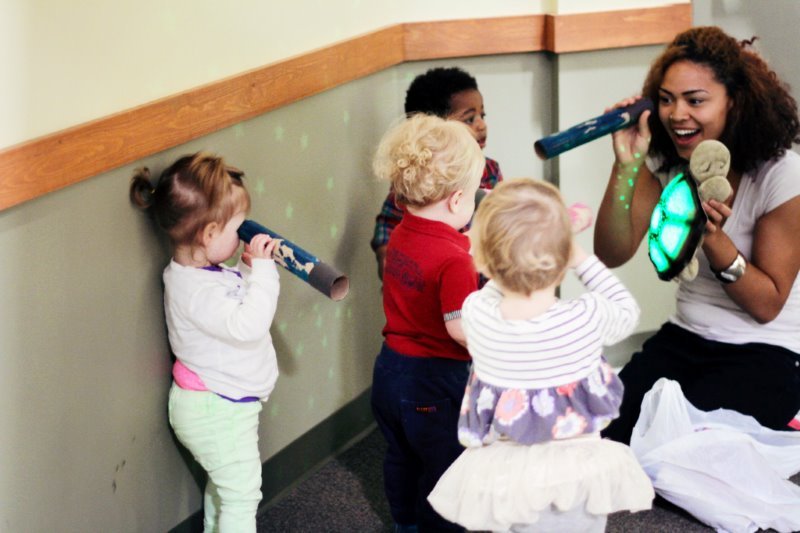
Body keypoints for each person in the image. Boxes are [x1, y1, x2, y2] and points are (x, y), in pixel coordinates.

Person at [594, 26, 800, 444]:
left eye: (695, 100)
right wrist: (625, 165)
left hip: (767, 350)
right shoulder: (667, 162)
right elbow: (612, 251)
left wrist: (712, 238)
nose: (677, 114)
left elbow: (767, 305)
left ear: (734, 102)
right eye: (666, 99)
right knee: (609, 439)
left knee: (684, 453)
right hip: (684, 338)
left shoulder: (781, 174)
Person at [428, 178, 653, 532]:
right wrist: (580, 258)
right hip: (577, 471)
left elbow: (489, 288)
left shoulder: (479, 315)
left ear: (485, 263)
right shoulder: (585, 317)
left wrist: (501, 249)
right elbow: (626, 308)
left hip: (512, 477)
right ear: (563, 262)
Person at [130, 152, 280, 532]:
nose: (243, 234)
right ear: (210, 234)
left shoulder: (199, 275)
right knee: (242, 495)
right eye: (238, 228)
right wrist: (265, 274)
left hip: (222, 405)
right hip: (218, 410)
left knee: (225, 489)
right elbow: (247, 325)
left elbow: (230, 302)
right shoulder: (195, 291)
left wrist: (246, 269)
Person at [369, 113, 485, 532]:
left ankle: (404, 523)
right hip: (434, 381)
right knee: (445, 466)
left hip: (389, 371)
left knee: (401, 455)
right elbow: (458, 328)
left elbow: (433, 251)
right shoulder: (455, 262)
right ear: (456, 201)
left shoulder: (402, 231)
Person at [370, 66, 503, 278]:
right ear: (435, 134)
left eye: (482, 115)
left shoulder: (490, 171)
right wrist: (393, 265)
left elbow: (501, 222)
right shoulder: (413, 183)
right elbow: (387, 234)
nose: (481, 125)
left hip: (479, 280)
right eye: (469, 119)